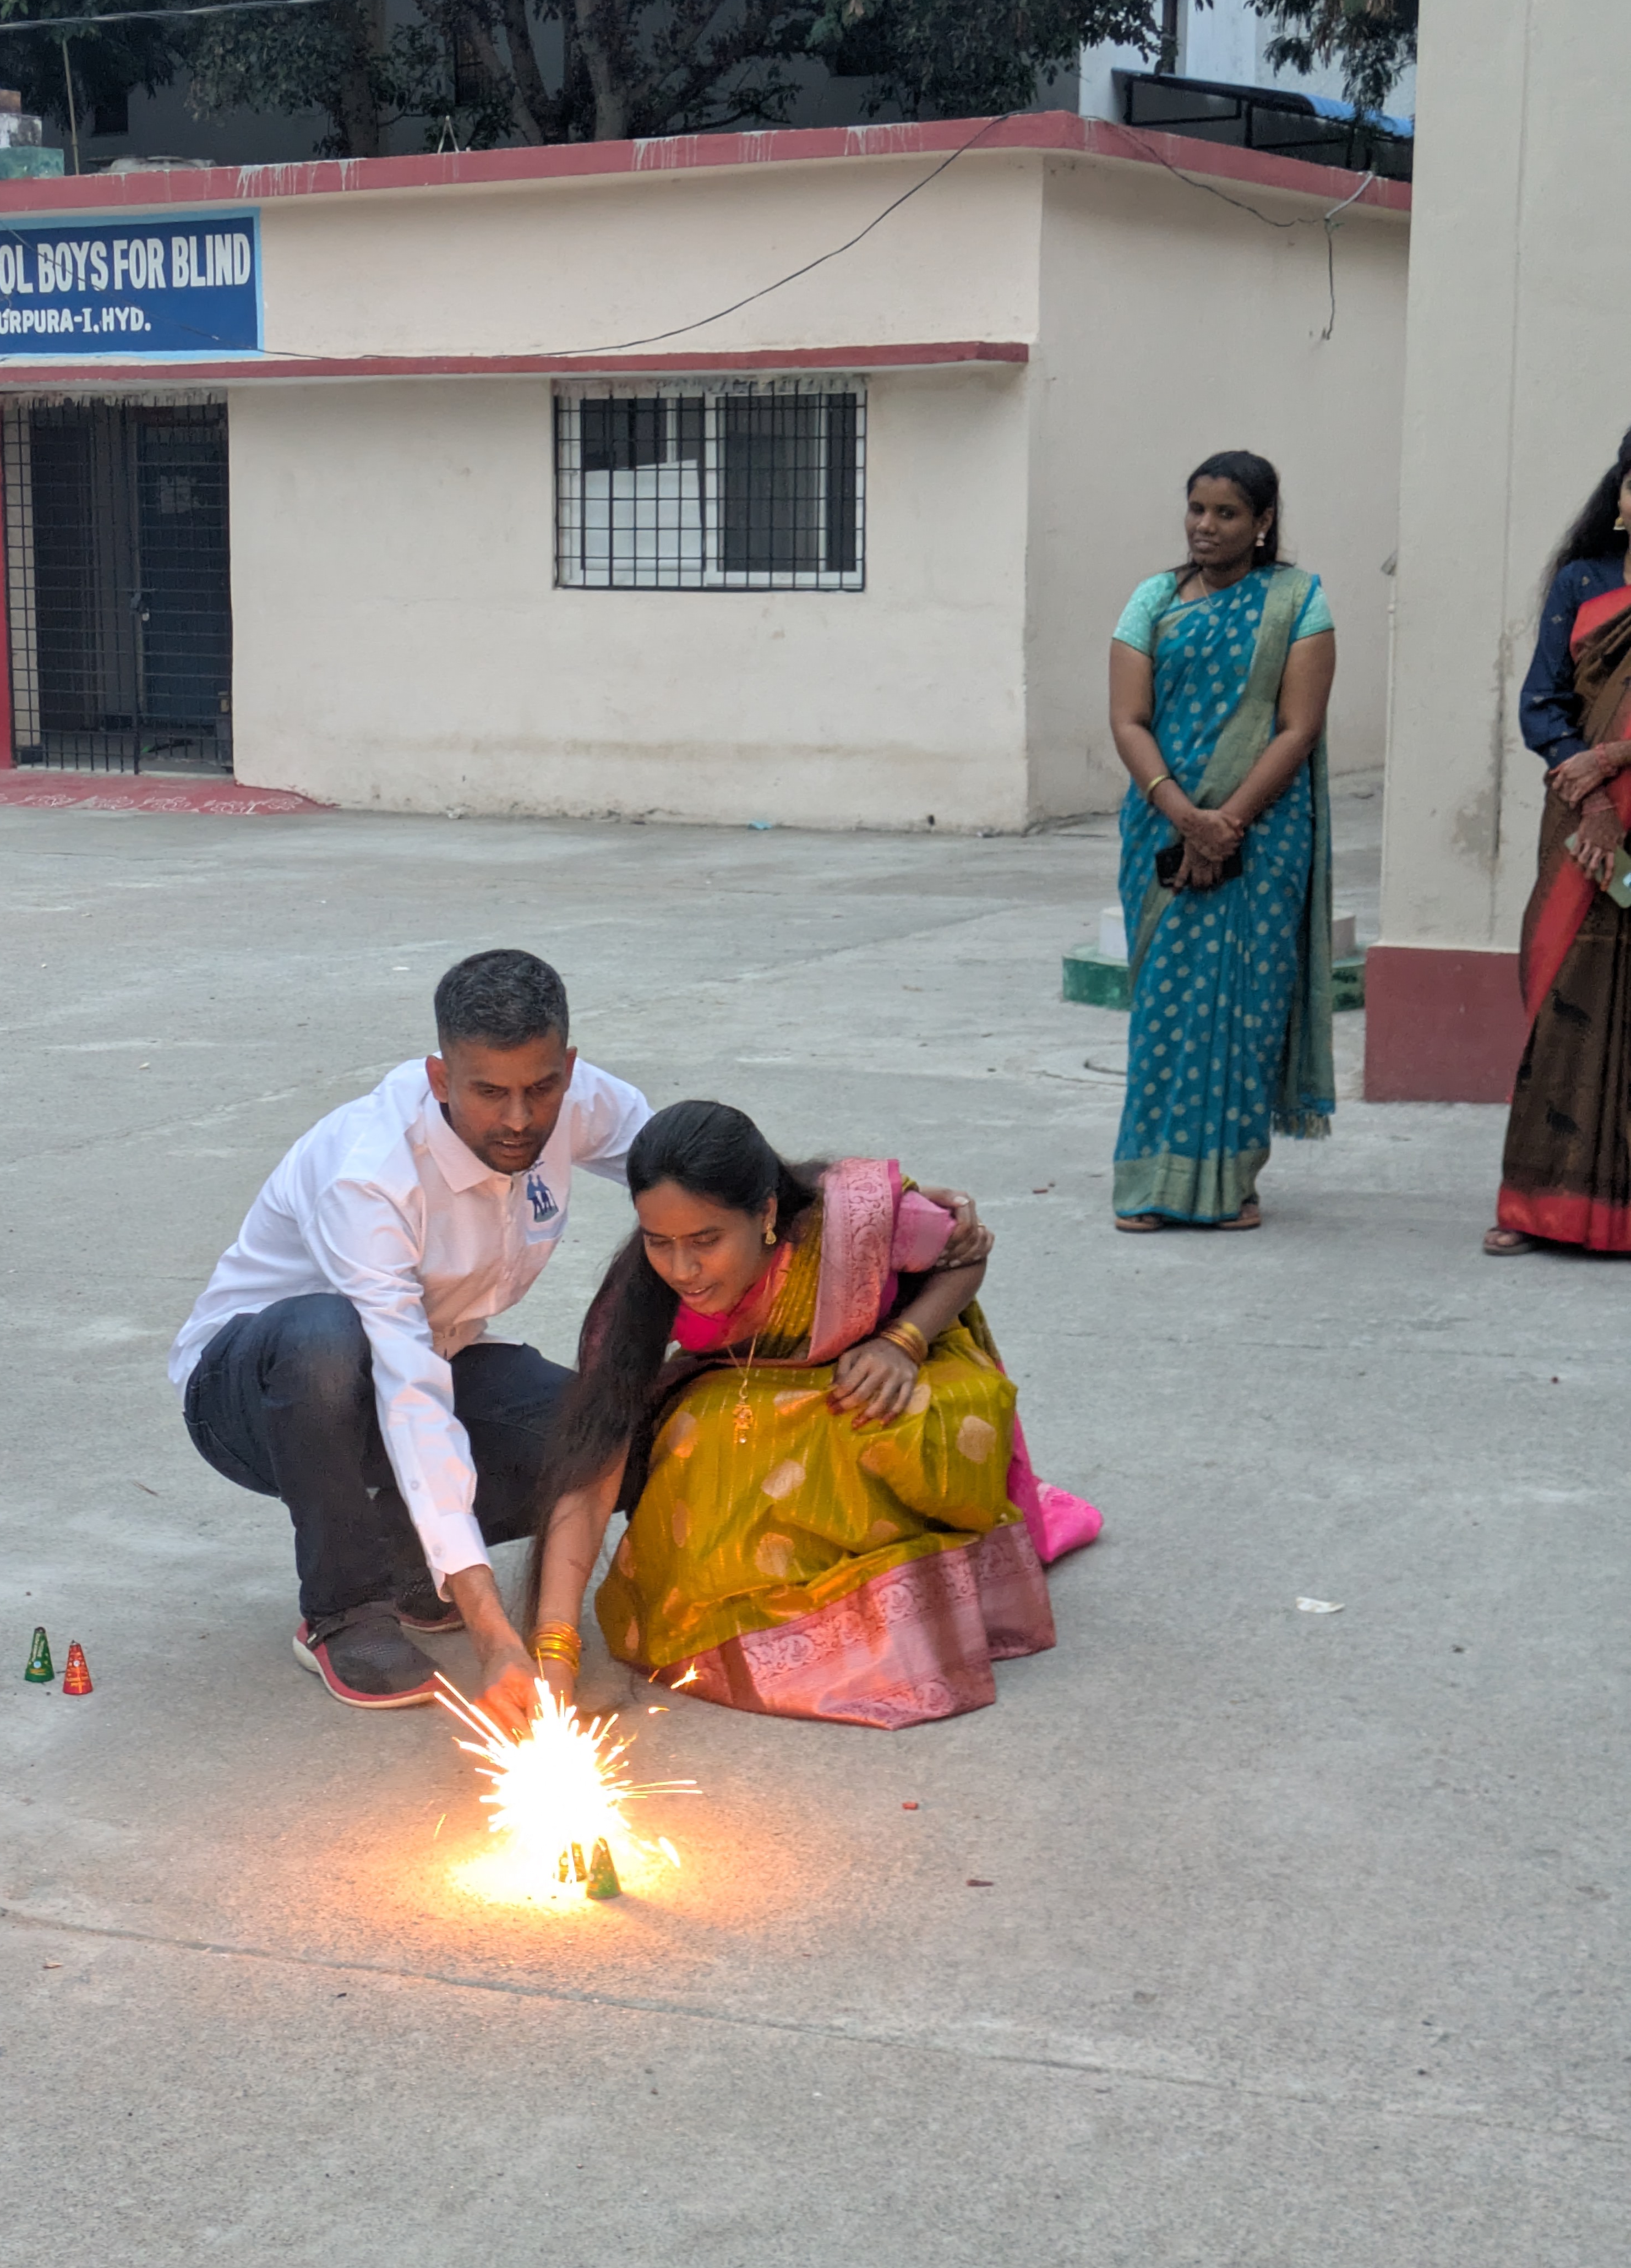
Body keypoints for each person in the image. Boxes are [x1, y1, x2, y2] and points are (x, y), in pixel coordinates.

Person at [169, 950, 652, 1726]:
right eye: (489, 1093)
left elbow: (701, 1172)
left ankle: (408, 1558)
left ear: (568, 1067)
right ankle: (343, 1609)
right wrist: (494, 1634)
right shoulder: (370, 1175)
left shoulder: (576, 1099)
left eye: (540, 1088)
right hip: (259, 1397)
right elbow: (411, 1395)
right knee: (325, 1336)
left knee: (603, 1436)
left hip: (426, 1359)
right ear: (440, 1079)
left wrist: (844, 1241)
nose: (519, 1118)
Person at [517, 1102, 1102, 1732]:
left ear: (767, 1213)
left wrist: (902, 1342)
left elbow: (965, 1259)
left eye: (706, 1241)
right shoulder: (638, 1293)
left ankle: (898, 1592)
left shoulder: (852, 1221)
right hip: (755, 1400)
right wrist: (555, 1648)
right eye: (660, 1241)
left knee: (896, 1423)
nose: (682, 1270)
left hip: (888, 1378)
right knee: (701, 1442)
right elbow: (594, 1460)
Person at [1108, 450, 1339, 1231]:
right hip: (1162, 825)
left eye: (1227, 513)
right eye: (1197, 509)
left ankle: (1231, 1183)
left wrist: (1228, 821)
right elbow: (1128, 720)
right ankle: (1149, 1182)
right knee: (1164, 1009)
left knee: (1246, 1008)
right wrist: (1187, 817)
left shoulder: (1298, 603)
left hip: (1265, 834)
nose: (1205, 527)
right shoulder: (1152, 599)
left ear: (1263, 522)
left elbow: (1298, 727)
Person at [1488, 427, 1631, 1256]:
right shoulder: (1583, 581)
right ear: (1619, 498)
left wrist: (1613, 757)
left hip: (1607, 787)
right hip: (1582, 824)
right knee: (1561, 996)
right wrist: (1593, 791)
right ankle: (1537, 1206)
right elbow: (1542, 702)